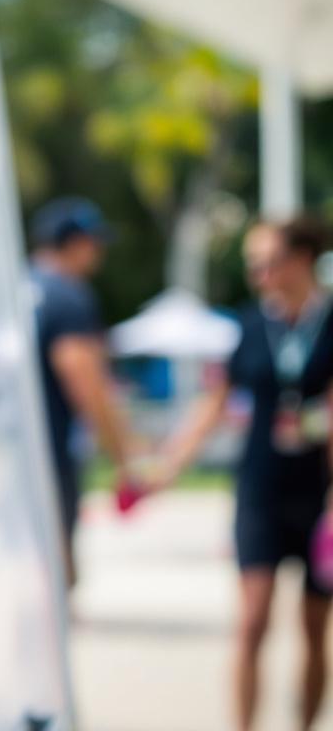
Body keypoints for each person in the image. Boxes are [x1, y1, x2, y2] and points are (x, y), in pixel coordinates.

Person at [157, 217, 333, 731]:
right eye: (253, 265)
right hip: (260, 487)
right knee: (252, 621)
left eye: (268, 262)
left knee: (314, 628)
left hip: (320, 494)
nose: (259, 275)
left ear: (301, 259)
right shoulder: (250, 324)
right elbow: (215, 402)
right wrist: (170, 463)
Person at [29, 197, 137, 587]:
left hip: (13, 456)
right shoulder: (68, 297)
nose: (99, 253)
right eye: (95, 242)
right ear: (74, 243)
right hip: (52, 453)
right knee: (57, 575)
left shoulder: (16, 287)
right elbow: (86, 385)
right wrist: (123, 458)